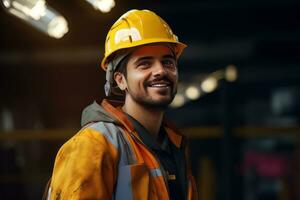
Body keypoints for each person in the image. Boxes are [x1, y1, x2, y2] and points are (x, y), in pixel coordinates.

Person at [45, 9, 198, 200]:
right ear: (120, 80)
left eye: (168, 63)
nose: (160, 71)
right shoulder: (93, 146)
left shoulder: (175, 146)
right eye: (145, 64)